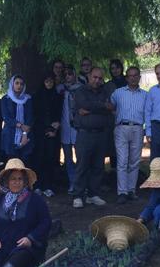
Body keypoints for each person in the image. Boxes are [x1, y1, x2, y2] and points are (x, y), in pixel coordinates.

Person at [0, 159, 53, 267]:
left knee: (13, 265)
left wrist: (30, 239)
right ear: (7, 181)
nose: (16, 182)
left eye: (20, 179)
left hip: (24, 248)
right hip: (1, 246)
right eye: (13, 179)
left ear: (25, 181)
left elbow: (45, 222)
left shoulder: (36, 200)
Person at [71, 66, 113, 208]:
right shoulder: (80, 91)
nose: (97, 80)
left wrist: (92, 109)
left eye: (100, 78)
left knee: (98, 166)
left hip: (101, 134)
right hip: (85, 134)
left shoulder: (104, 91)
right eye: (95, 77)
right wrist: (103, 106)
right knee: (82, 165)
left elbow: (110, 109)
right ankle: (78, 195)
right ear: (89, 77)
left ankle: (93, 194)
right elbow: (84, 104)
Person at [111, 66, 149, 203]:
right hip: (122, 128)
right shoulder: (118, 93)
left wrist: (147, 130)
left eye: (135, 75)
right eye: (130, 76)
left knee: (134, 161)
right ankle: (122, 192)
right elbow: (110, 107)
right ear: (126, 78)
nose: (133, 78)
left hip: (138, 128)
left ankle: (131, 190)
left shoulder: (145, 95)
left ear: (139, 77)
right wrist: (117, 116)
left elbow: (148, 114)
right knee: (122, 161)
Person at [32, 73, 63, 196]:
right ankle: (37, 185)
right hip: (39, 132)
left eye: (51, 81)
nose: (49, 83)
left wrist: (54, 129)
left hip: (52, 133)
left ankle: (48, 186)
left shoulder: (57, 96)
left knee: (50, 159)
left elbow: (59, 115)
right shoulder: (37, 96)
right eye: (47, 81)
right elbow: (35, 115)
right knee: (38, 158)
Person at [1, 75, 33, 162]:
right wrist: (20, 125)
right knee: (11, 163)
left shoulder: (28, 99)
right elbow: (6, 117)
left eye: (21, 84)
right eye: (17, 83)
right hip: (10, 135)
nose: (19, 86)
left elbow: (30, 117)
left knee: (24, 163)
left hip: (26, 135)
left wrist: (25, 134)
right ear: (12, 84)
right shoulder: (6, 99)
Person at [60, 67, 81, 193]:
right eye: (65, 74)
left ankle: (80, 182)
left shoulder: (81, 89)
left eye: (70, 74)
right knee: (68, 158)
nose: (68, 76)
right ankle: (72, 182)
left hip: (77, 126)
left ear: (74, 75)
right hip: (64, 126)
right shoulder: (60, 89)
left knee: (80, 157)